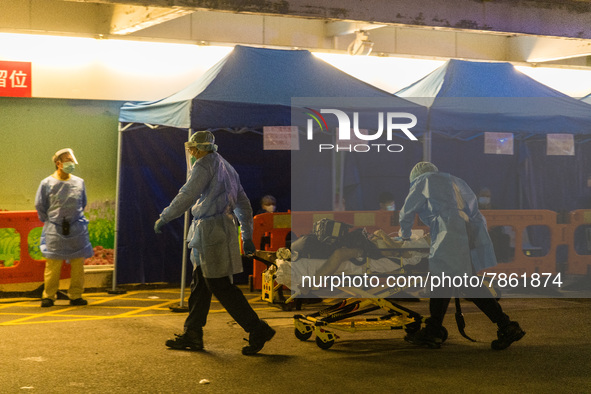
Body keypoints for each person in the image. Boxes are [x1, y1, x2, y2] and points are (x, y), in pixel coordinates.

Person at [154, 131, 275, 356]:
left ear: (199, 149)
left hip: (210, 232)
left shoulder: (203, 166)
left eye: (192, 149)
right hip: (223, 229)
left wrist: (166, 216)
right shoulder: (227, 167)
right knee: (201, 283)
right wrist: (247, 236)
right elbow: (244, 205)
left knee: (219, 285)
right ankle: (193, 333)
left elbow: (187, 195)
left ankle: (257, 328)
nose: (190, 153)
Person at [398, 162, 525, 350]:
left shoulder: (423, 180)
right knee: (457, 282)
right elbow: (471, 208)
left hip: (450, 233)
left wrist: (404, 237)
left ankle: (435, 331)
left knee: (448, 281)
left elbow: (406, 211)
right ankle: (504, 326)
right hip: (469, 231)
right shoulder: (454, 181)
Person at [35, 148, 93, 307]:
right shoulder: (47, 183)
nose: (71, 163)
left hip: (76, 228)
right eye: (67, 160)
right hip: (55, 228)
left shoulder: (79, 182)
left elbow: (83, 202)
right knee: (53, 264)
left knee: (77, 264)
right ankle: (49, 296)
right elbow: (40, 205)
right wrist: (51, 221)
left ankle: (76, 295)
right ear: (58, 163)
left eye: (71, 159)